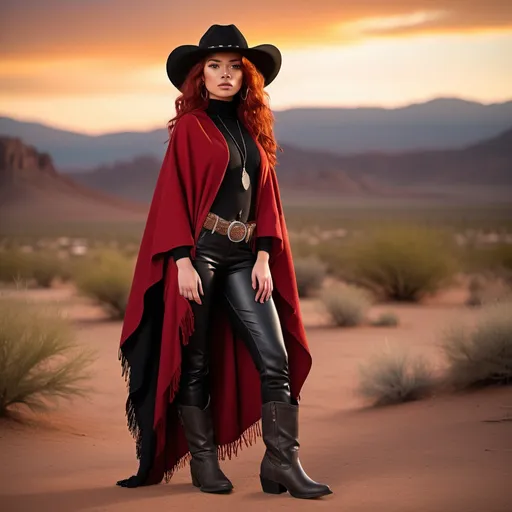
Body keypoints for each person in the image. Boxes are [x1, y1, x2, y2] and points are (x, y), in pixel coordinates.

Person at [116, 24, 332, 500]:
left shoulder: (253, 129)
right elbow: (171, 197)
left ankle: (282, 463)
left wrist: (263, 257)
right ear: (200, 76)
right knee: (194, 364)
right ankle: (204, 462)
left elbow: (268, 199)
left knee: (275, 360)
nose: (225, 74)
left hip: (244, 257)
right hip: (201, 254)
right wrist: (180, 262)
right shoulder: (190, 128)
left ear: (247, 76)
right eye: (215, 66)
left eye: (235, 66)